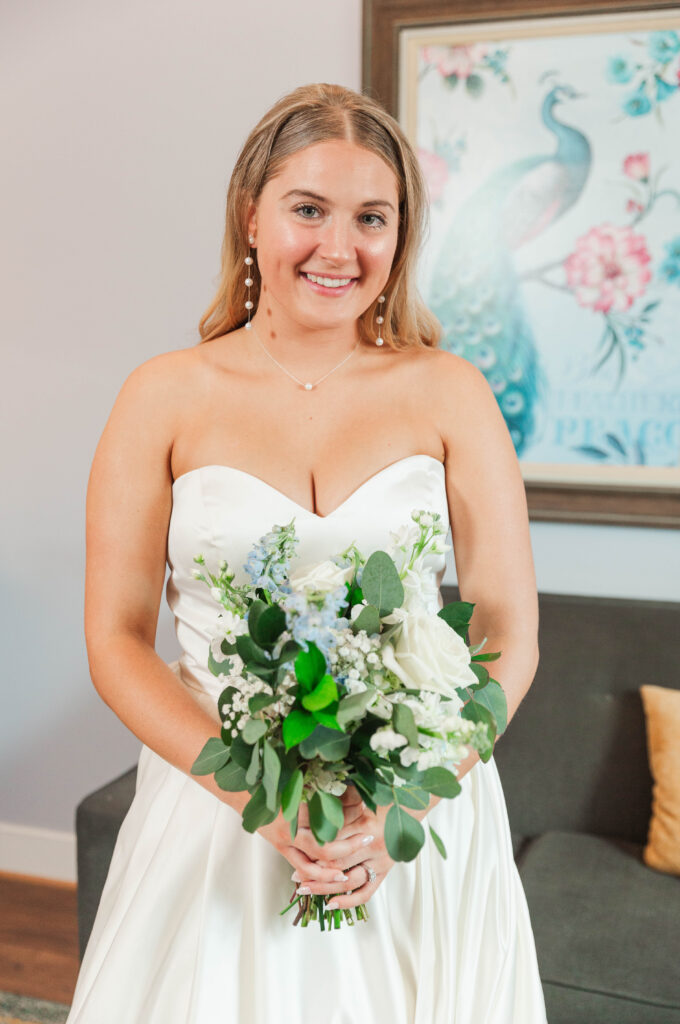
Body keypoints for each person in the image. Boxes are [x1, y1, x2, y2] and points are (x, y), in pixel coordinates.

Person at [68, 82, 547, 1022]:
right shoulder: (160, 396)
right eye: (308, 210)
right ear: (252, 216)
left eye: (372, 217)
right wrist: (259, 799)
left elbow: (507, 628)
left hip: (413, 822)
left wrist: (409, 804)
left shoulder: (451, 392)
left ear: (400, 236)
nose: (340, 247)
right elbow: (116, 641)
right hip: (219, 812)